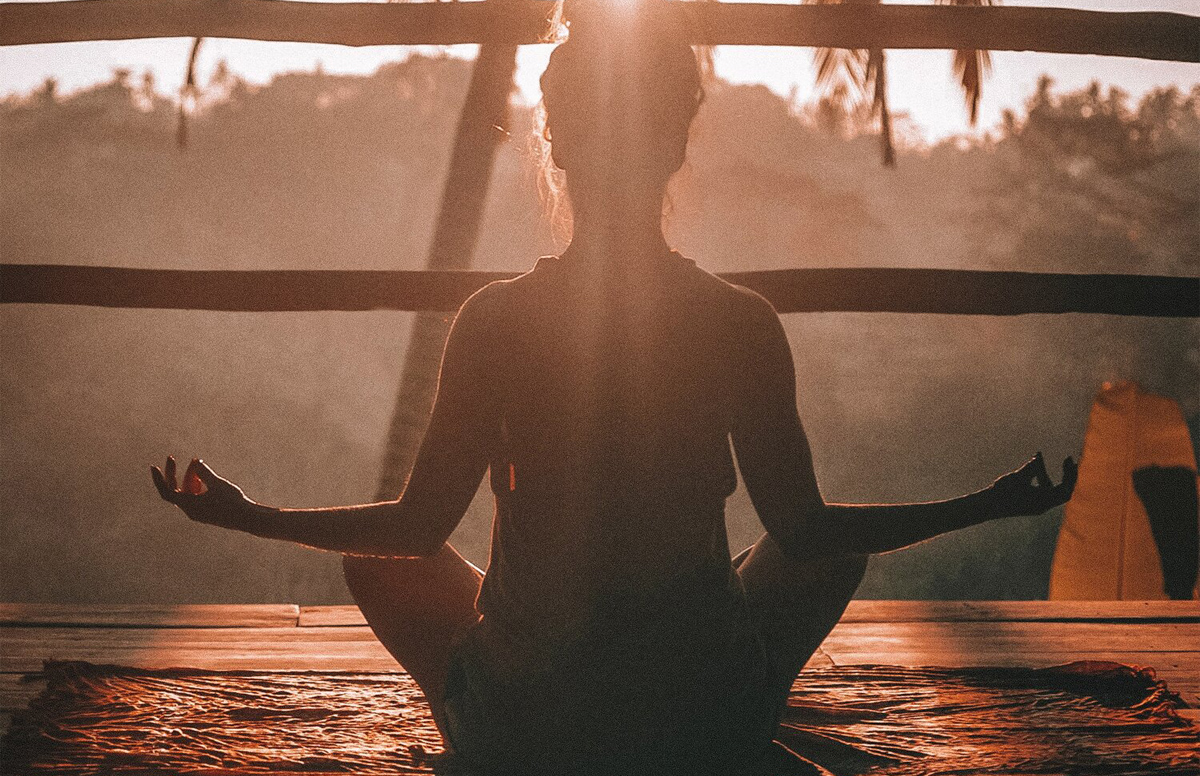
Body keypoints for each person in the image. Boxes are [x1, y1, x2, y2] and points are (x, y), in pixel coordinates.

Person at [152, 3, 1077, 774]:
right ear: (676, 143)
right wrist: (986, 504)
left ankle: (493, 730)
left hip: (531, 726)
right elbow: (806, 532)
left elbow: (416, 528)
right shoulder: (738, 321)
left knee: (378, 563)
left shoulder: (496, 320)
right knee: (830, 553)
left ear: (556, 140)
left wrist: (250, 515)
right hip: (699, 718)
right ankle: (735, 712)